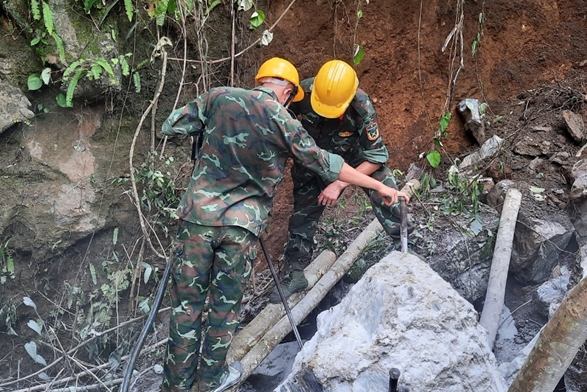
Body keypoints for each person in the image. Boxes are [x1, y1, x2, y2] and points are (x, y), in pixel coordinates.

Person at [159, 57, 410, 392]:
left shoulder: (217, 96)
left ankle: (174, 385)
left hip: (197, 218)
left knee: (186, 307)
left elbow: (171, 126)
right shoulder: (282, 118)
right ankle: (211, 382)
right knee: (223, 309)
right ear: (290, 92)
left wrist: (210, 130)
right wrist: (378, 186)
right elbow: (324, 162)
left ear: (261, 79)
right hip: (240, 227)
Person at [274, 59, 410, 302]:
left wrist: (339, 183)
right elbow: (278, 128)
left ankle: (406, 246)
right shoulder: (301, 94)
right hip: (313, 155)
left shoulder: (361, 105)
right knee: (302, 213)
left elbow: (377, 157)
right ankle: (294, 273)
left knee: (385, 188)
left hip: (352, 155)